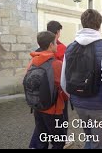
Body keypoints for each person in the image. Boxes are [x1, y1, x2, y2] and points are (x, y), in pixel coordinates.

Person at [61, 9, 102, 149]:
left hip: (79, 104)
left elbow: (63, 80)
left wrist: (74, 97)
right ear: (99, 25)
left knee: (90, 138)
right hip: (99, 106)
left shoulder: (70, 47)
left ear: (82, 23)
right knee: (99, 143)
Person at [29, 21, 71, 149]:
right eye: (55, 43)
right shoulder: (56, 63)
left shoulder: (33, 59)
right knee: (58, 141)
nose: (57, 46)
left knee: (42, 137)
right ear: (51, 44)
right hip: (54, 107)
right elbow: (63, 85)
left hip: (37, 105)